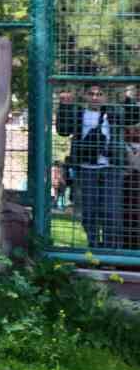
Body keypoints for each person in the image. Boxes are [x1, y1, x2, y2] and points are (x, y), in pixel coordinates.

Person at [56, 84, 125, 249]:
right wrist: (64, 106)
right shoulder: (78, 112)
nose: (95, 97)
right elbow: (63, 131)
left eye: (99, 94)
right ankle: (93, 247)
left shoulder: (114, 112)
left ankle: (110, 250)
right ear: (85, 96)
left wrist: (127, 99)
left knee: (111, 212)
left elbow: (133, 117)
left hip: (110, 168)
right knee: (89, 212)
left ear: (105, 97)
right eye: (91, 94)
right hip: (86, 168)